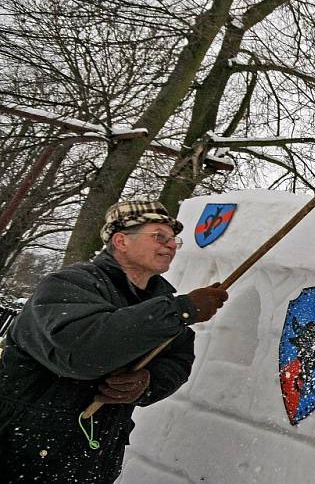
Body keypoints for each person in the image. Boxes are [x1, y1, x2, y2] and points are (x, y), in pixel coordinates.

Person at [0, 200, 228, 483]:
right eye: (159, 236)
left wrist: (147, 382)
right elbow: (81, 352)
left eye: (173, 240)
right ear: (121, 240)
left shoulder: (159, 300)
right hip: (22, 452)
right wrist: (179, 310)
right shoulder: (69, 284)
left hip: (93, 460)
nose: (171, 245)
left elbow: (179, 359)